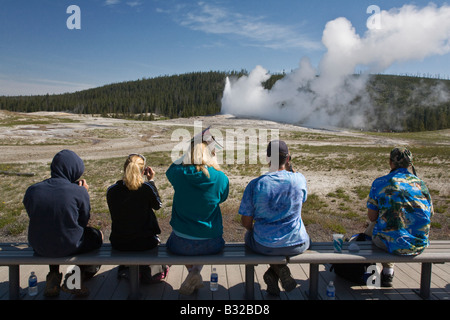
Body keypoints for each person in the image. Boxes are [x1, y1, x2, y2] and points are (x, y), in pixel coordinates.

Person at [23, 149, 103, 297]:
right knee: (97, 235)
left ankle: (53, 275)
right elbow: (83, 221)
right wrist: (83, 192)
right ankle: (76, 278)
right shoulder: (78, 192)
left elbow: (34, 215)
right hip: (69, 245)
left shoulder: (33, 190)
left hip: (39, 245)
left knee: (51, 229)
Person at [239, 140, 310, 296]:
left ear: (268, 158)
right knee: (285, 240)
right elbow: (303, 199)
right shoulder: (299, 179)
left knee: (251, 237)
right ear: (288, 158)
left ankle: (276, 270)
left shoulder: (256, 184)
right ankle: (273, 273)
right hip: (297, 243)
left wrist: (254, 229)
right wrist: (290, 168)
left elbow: (246, 222)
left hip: (264, 244)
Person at [166, 137, 229, 295]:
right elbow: (222, 198)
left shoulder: (179, 173)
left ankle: (192, 273)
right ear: (212, 153)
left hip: (180, 243)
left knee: (184, 244)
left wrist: (188, 154)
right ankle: (195, 272)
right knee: (201, 243)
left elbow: (170, 169)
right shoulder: (221, 177)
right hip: (212, 243)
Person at [365, 147, 434, 287]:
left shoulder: (380, 183)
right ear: (410, 164)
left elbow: (372, 217)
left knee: (375, 228)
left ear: (391, 162)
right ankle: (388, 271)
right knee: (395, 226)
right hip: (419, 243)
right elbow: (431, 213)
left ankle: (374, 270)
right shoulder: (421, 184)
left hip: (389, 242)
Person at [107, 153, 168, 283]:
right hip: (145, 242)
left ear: (125, 168)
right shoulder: (146, 189)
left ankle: (129, 270)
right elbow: (158, 205)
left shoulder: (112, 190)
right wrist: (151, 181)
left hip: (119, 242)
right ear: (143, 170)